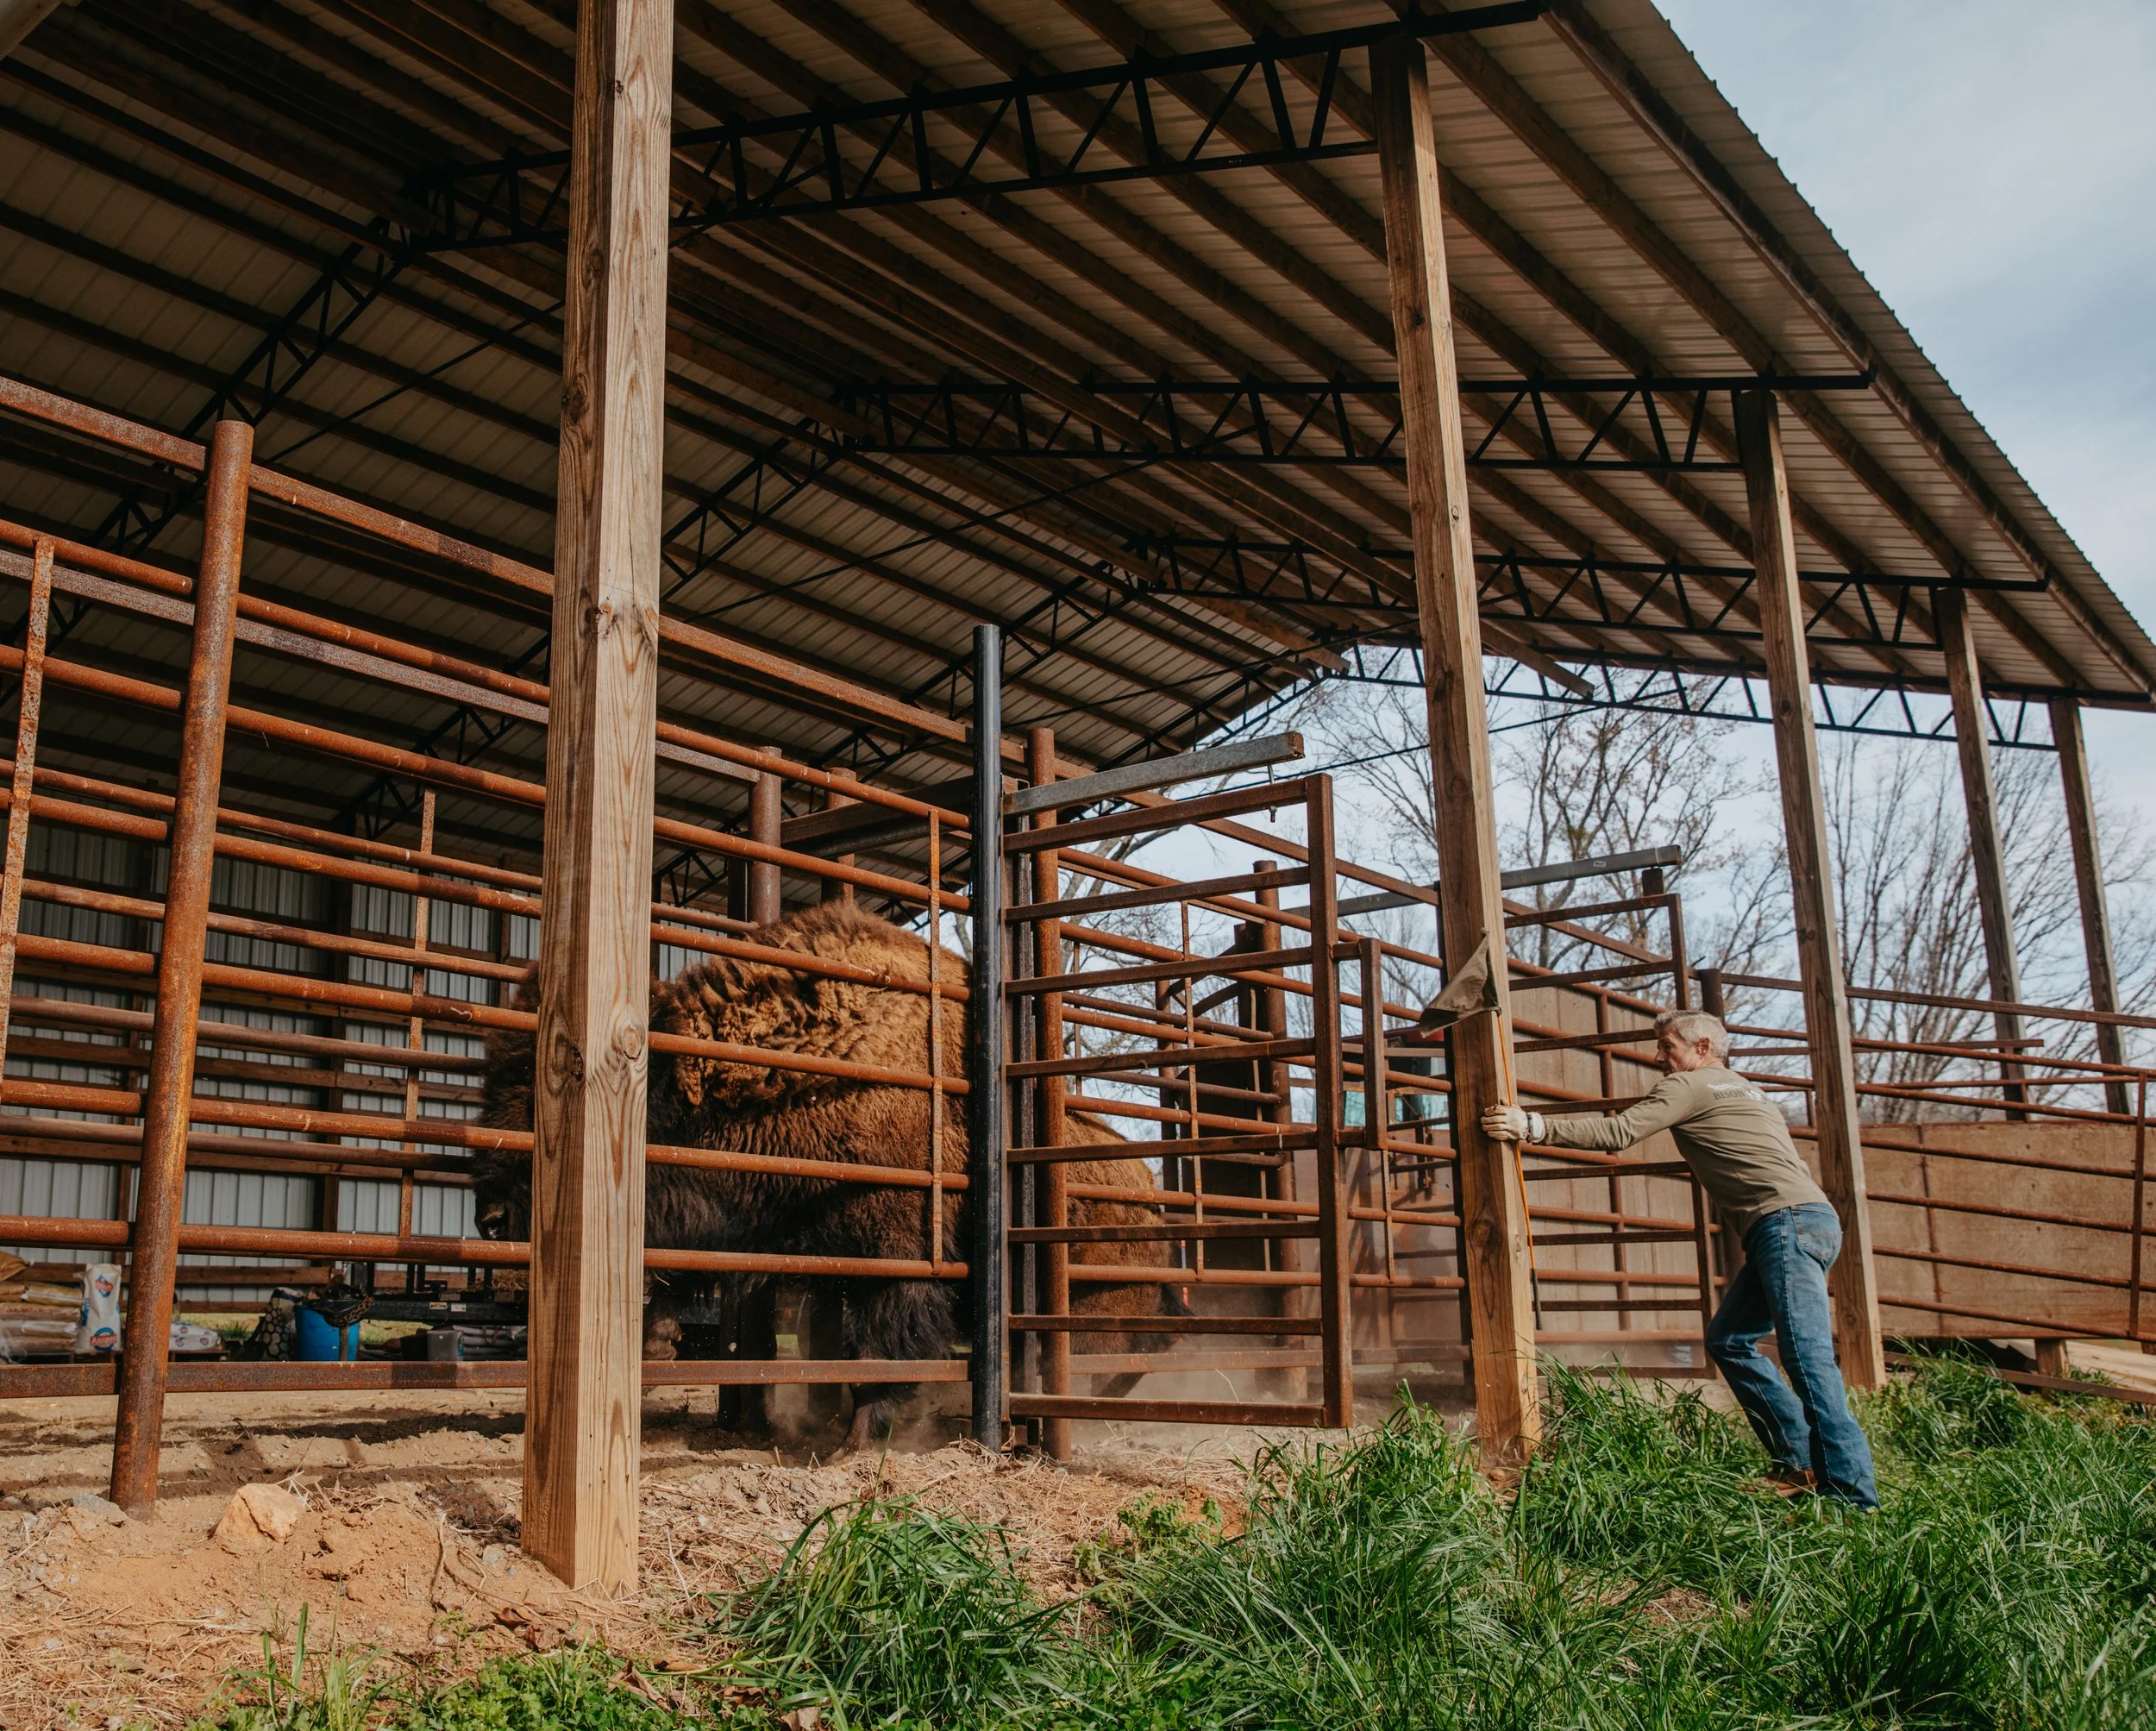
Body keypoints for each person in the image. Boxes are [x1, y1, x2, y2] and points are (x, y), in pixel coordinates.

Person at [1481, 1008, 1878, 1509]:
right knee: (1730, 1340)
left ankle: (1852, 1498)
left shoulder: (1688, 1087)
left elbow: (1619, 1133)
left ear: (1703, 1048)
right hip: (1810, 1220)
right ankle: (1797, 1461)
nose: (1658, 1056)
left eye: (1667, 1046)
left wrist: (1531, 1125)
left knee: (1808, 1359)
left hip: (1783, 1226)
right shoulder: (1746, 1089)